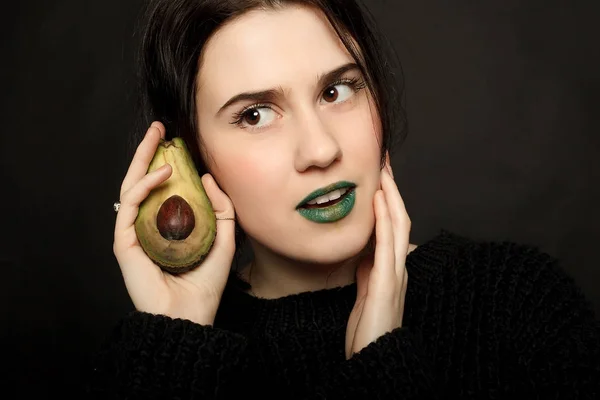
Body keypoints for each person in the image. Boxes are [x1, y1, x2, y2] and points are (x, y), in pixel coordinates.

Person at [85, 0, 600, 398]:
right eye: (256, 114)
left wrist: (383, 362)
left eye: (337, 91)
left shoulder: (517, 302)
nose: (321, 150)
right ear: (192, 155)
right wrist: (177, 343)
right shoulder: (151, 364)